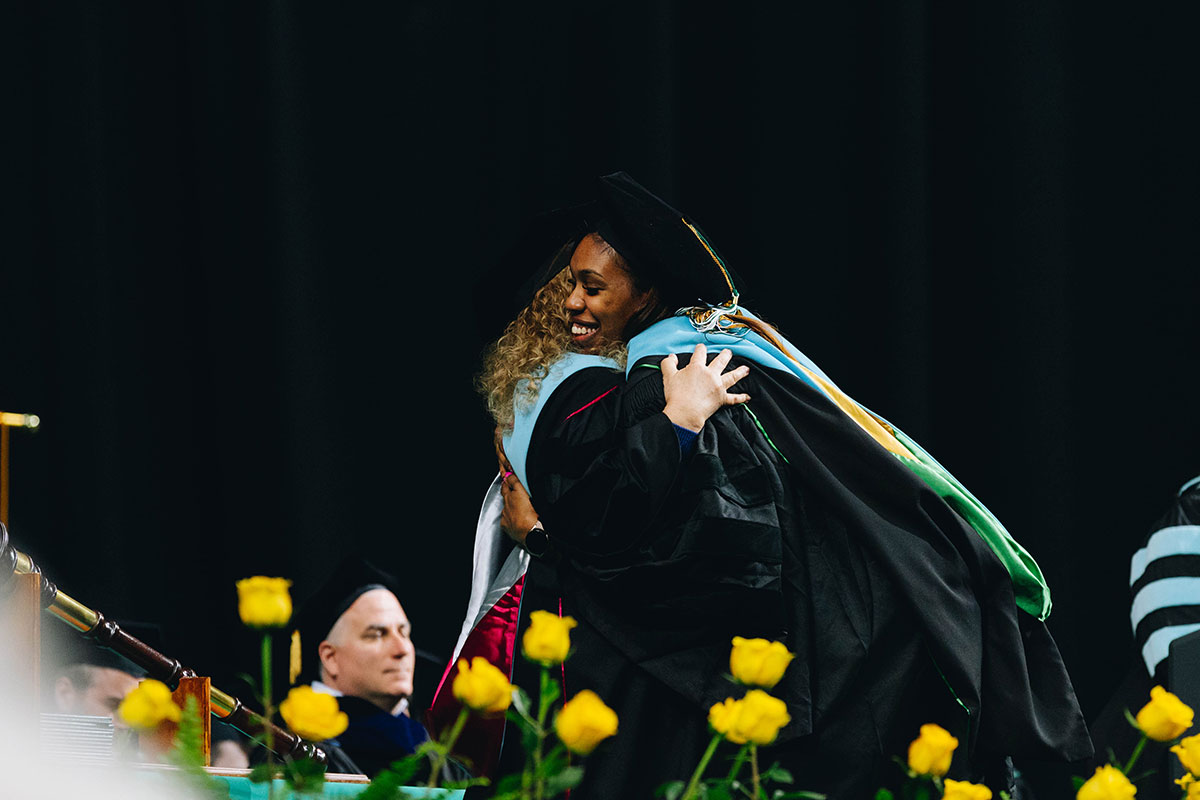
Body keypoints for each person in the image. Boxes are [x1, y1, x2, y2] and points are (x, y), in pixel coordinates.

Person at [442, 172, 1092, 798]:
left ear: (642, 297)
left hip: (760, 657)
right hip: (802, 641)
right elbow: (627, 513)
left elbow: (676, 527)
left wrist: (673, 423)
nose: (572, 303)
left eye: (592, 287)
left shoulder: (667, 368)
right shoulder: (658, 370)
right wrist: (673, 424)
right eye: (568, 287)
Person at [291, 557, 468, 780]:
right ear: (330, 658)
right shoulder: (294, 754)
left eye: (404, 633)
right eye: (376, 634)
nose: (402, 649)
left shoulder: (434, 756)